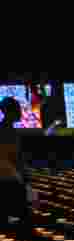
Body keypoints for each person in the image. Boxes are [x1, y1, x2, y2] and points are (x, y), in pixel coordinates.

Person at [1, 97, 33, 228]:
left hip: (9, 178)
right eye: (18, 109)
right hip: (9, 179)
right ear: (10, 112)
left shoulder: (8, 130)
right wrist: (24, 176)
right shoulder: (7, 132)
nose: (21, 112)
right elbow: (14, 157)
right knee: (22, 217)